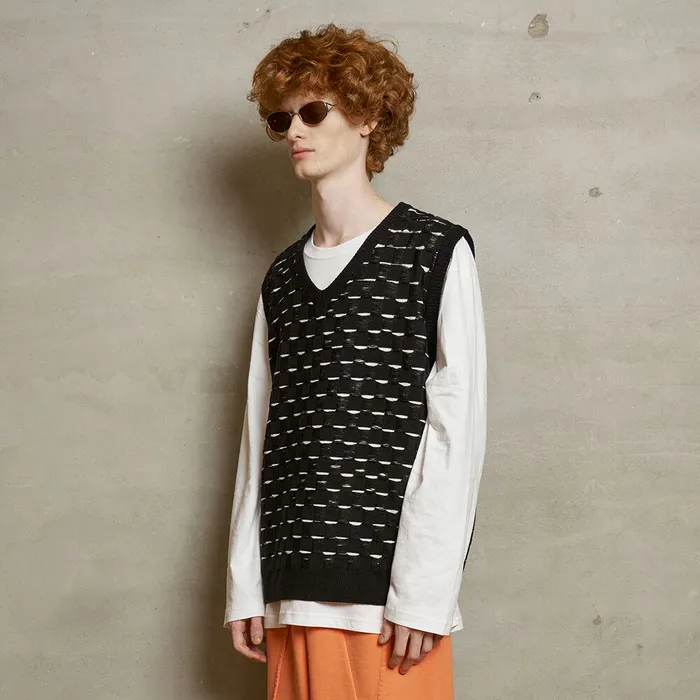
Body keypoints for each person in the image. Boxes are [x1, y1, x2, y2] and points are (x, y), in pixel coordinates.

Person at [223, 22, 487, 700]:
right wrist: (246, 585)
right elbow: (261, 435)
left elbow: (456, 430)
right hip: (289, 588)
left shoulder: (433, 251)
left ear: (369, 117)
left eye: (314, 111)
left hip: (385, 603)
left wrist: (424, 594)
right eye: (283, 118)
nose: (295, 130)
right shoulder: (282, 278)